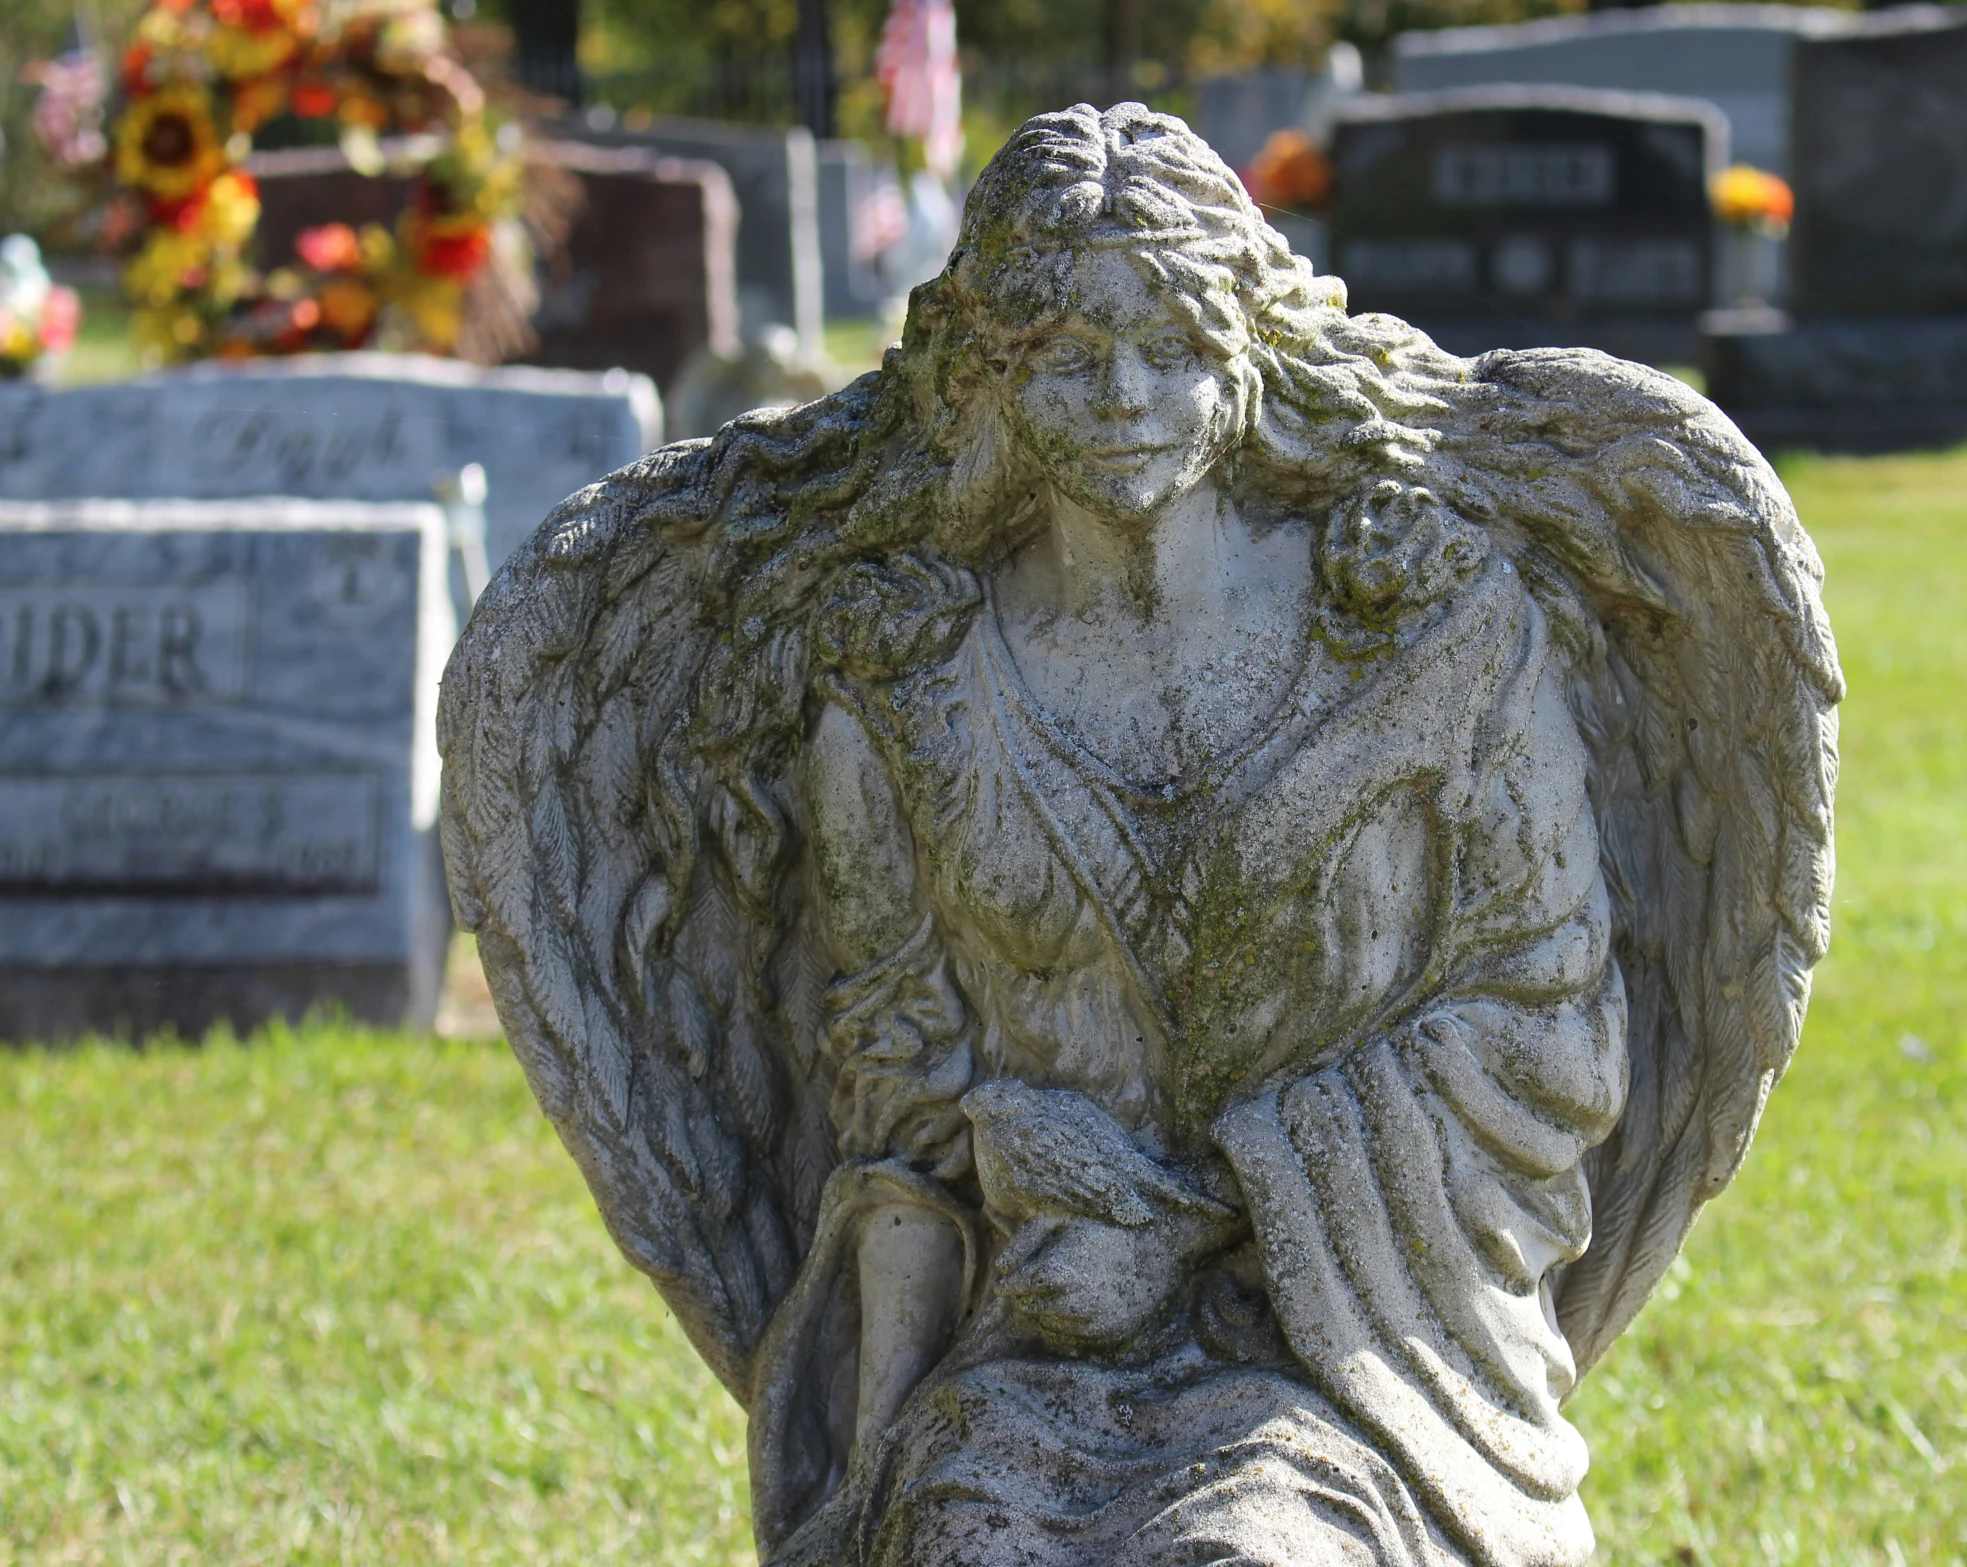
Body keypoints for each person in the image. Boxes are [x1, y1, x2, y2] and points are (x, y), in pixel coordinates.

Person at [440, 101, 1840, 1567]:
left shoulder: (1429, 638)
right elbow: (889, 1088)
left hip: (1344, 1347)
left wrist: (1214, 1197)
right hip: (1034, 1347)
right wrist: (892, 1402)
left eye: (1171, 346)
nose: (1123, 394)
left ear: (1247, 361)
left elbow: (1551, 1022)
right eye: (1064, 354)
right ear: (984, 379)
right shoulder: (905, 683)